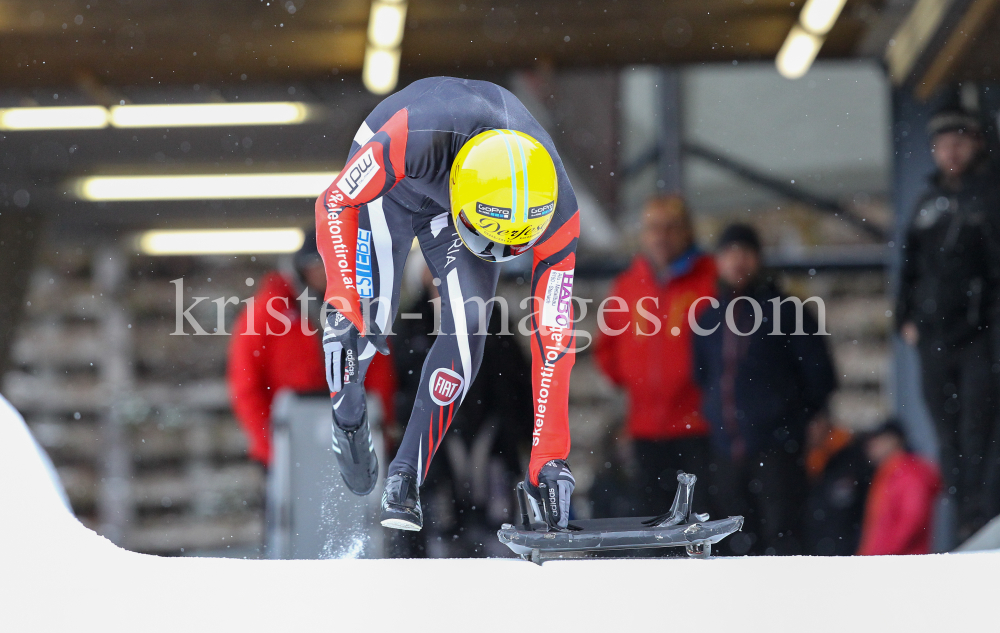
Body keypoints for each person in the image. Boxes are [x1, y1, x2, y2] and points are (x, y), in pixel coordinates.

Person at [314, 77, 581, 532]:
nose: (494, 256)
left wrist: (550, 456)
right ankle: (348, 412)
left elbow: (552, 337)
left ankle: (405, 478)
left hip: (462, 211)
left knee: (470, 325)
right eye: (488, 242)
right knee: (368, 320)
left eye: (507, 249)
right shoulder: (411, 137)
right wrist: (342, 294)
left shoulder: (558, 210)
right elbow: (336, 201)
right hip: (391, 187)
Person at [692, 223, 837, 555]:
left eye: (745, 252)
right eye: (730, 253)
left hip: (776, 445)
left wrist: (803, 417)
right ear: (719, 261)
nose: (738, 261)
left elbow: (819, 372)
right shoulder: (707, 317)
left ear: (758, 258)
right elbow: (702, 375)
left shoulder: (787, 311)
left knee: (782, 534)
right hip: (727, 447)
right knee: (733, 539)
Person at [896, 107, 1000, 540]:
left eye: (959, 142)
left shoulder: (991, 197)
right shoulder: (927, 203)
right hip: (934, 339)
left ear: (977, 143)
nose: (950, 152)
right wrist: (905, 318)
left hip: (979, 338)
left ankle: (981, 518)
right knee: (948, 436)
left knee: (981, 433)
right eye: (942, 145)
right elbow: (910, 267)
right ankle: (963, 522)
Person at [393, 261, 533, 556]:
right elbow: (399, 385)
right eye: (431, 267)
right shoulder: (410, 321)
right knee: (440, 531)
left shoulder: (490, 315)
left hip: (490, 430)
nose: (439, 275)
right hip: (435, 439)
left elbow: (517, 376)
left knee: (499, 527)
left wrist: (526, 429)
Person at [227, 233, 395, 466]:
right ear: (300, 268)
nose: (322, 273)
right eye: (316, 264)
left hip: (350, 436)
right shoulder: (266, 312)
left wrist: (376, 431)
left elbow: (378, 374)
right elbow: (246, 384)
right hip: (290, 439)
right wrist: (271, 445)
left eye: (330, 264)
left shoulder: (360, 309)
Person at [594, 195, 715, 515]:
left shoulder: (709, 281)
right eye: (653, 228)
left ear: (687, 232)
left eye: (670, 228)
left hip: (699, 426)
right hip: (645, 428)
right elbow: (607, 345)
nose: (661, 236)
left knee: (699, 521)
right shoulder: (628, 285)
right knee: (652, 522)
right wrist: (635, 384)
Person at [857, 420, 942, 556]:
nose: (870, 447)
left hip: (900, 562)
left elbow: (912, 519)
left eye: (876, 441)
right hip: (891, 561)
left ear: (894, 440)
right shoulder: (888, 473)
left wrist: (884, 553)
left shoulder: (909, 473)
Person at [802, 416, 871, 556]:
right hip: (825, 550)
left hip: (848, 552)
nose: (811, 431)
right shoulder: (813, 461)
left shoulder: (851, 457)